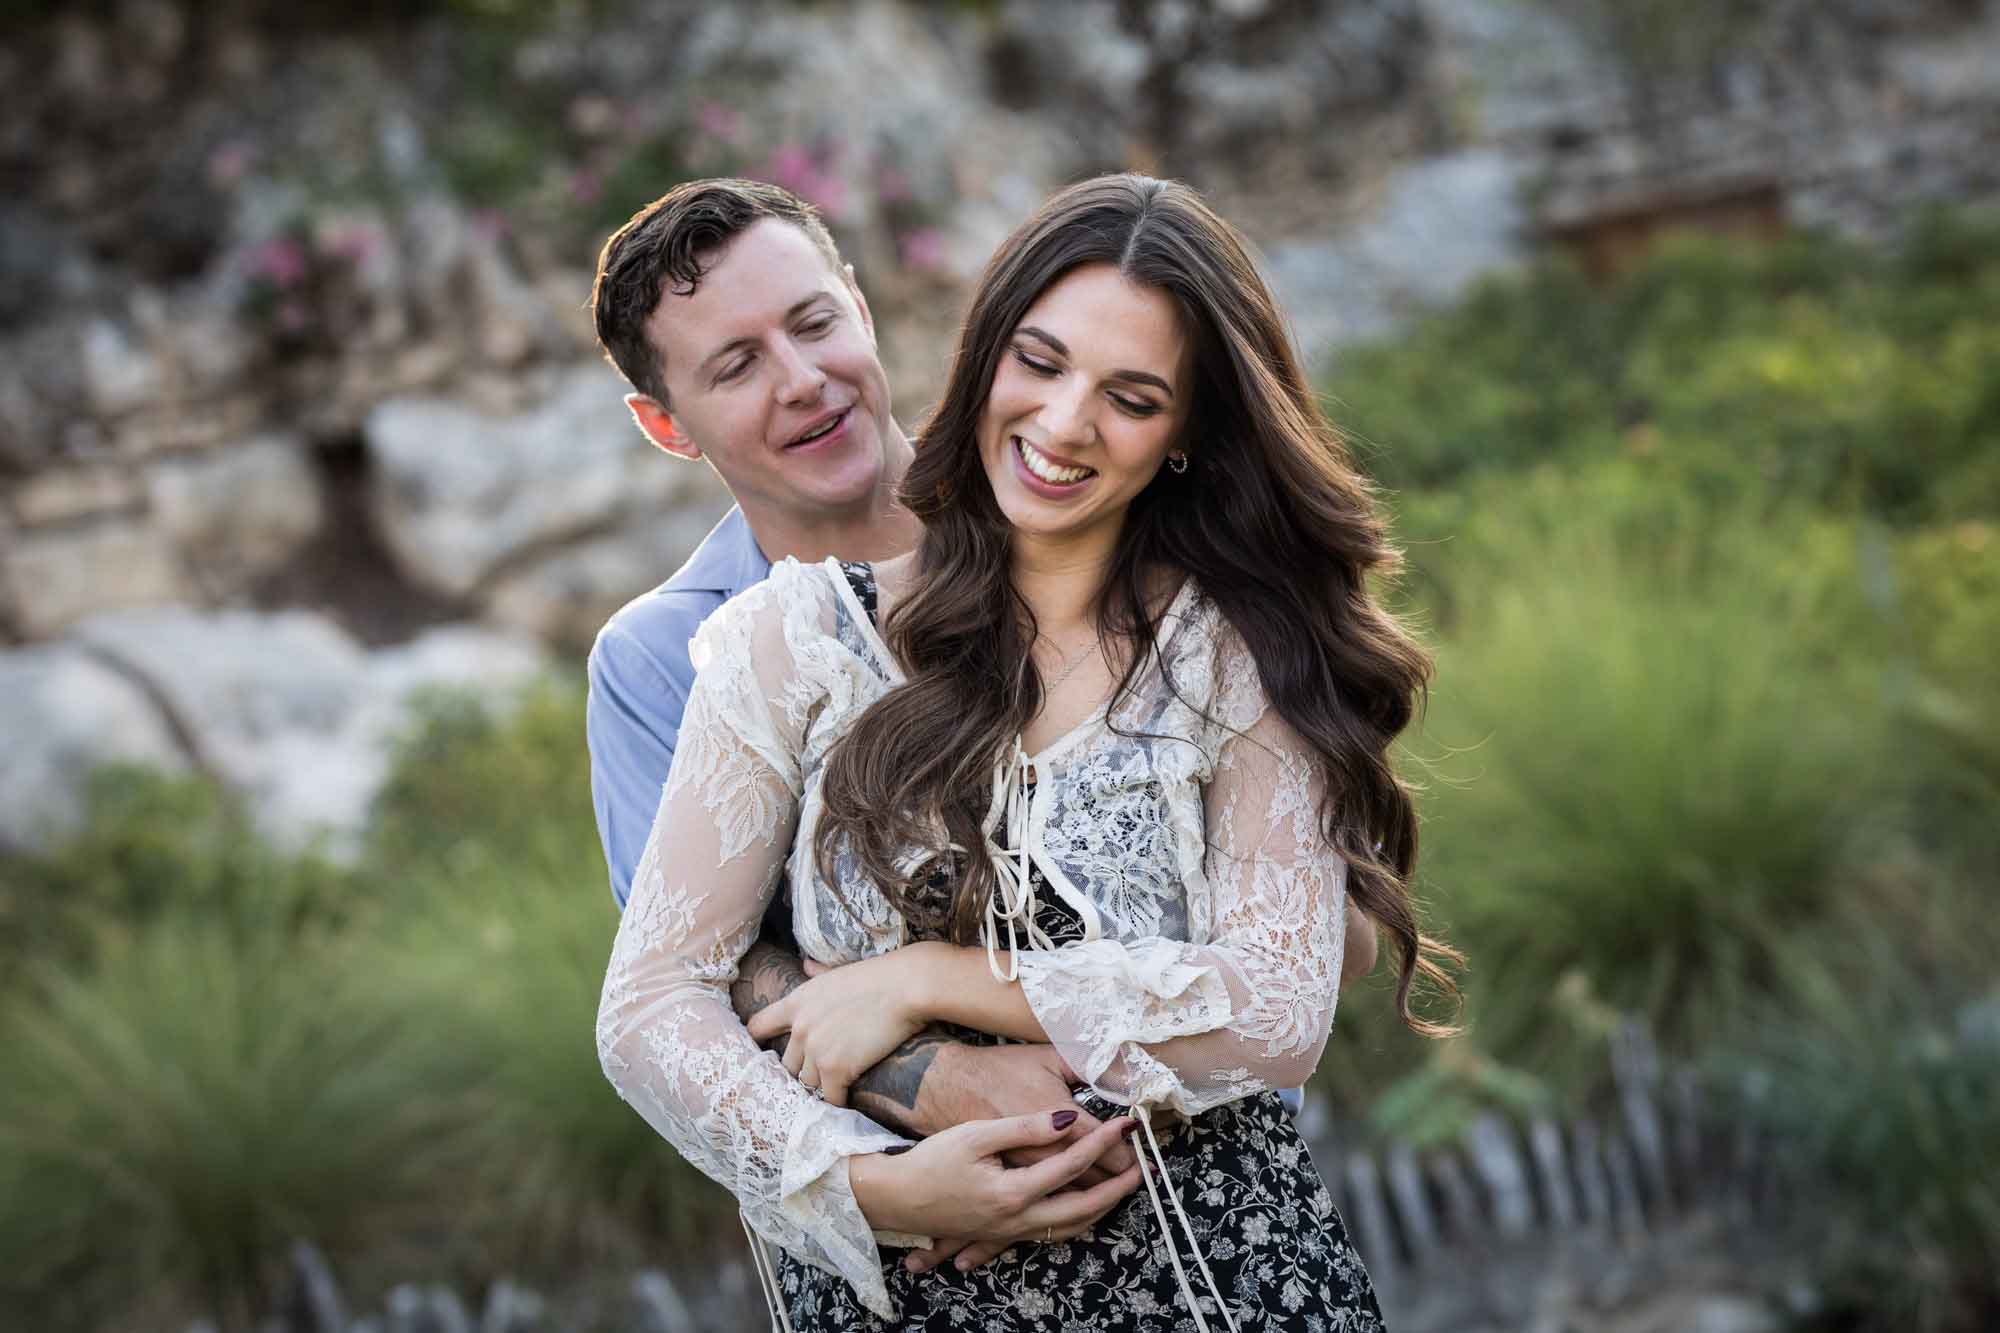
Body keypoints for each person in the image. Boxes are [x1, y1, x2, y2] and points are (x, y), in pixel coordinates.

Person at [595, 174, 1458, 1331]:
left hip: (1219, 1282)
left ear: (860, 305)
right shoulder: (735, 647)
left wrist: (930, 981)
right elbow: (688, 985)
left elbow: (1296, 979)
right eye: (734, 363)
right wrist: (873, 1175)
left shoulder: (1224, 644)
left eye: (809, 324)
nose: (1060, 427)